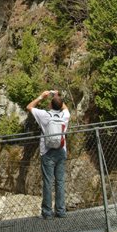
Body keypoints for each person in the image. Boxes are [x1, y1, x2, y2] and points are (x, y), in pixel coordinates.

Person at [26, 90, 70, 219]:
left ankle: (47, 213)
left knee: (47, 182)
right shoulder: (64, 116)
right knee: (60, 181)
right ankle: (61, 211)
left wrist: (42, 96)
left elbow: (29, 107)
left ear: (50, 105)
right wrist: (57, 97)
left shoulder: (44, 115)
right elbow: (65, 108)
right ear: (61, 105)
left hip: (47, 152)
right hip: (61, 151)